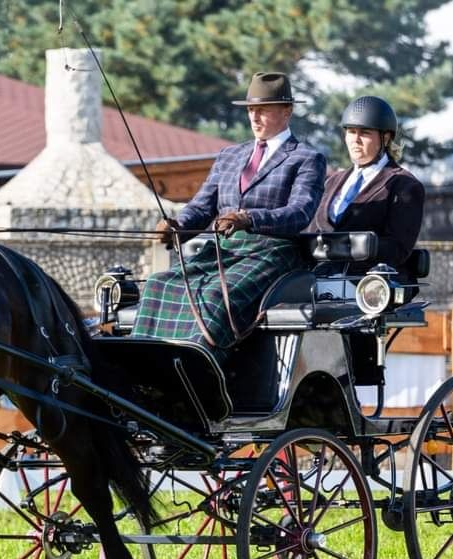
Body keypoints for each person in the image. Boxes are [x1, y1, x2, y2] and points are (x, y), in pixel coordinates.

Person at [132, 72, 326, 357]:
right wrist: (178, 226)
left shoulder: (306, 158)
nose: (255, 118)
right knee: (158, 285)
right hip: (223, 251)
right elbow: (201, 207)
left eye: (263, 110)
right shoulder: (229, 156)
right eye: (251, 110)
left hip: (271, 253)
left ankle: (197, 365)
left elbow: (299, 213)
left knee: (213, 297)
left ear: (287, 111)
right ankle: (143, 360)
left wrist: (249, 218)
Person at [305, 95, 425, 271]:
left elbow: (397, 248)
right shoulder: (331, 182)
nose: (356, 140)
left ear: (385, 138)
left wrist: (354, 247)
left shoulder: (404, 185)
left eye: (365, 133)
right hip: (317, 276)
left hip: (367, 283)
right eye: (351, 132)